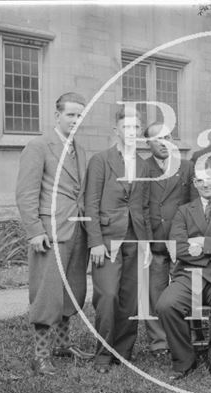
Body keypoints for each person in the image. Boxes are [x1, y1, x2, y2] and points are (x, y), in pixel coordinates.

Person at [16, 92, 93, 376]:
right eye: (70, 114)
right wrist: (35, 231)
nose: (75, 120)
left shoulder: (80, 150)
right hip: (50, 233)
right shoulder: (39, 146)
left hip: (77, 231)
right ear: (57, 116)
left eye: (79, 115)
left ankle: (63, 345)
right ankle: (40, 355)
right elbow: (26, 193)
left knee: (71, 290)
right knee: (46, 294)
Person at [156, 165, 211, 381]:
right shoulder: (184, 211)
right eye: (200, 180)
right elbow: (178, 246)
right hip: (188, 274)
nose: (206, 184)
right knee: (166, 305)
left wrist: (202, 242)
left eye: (210, 179)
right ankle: (184, 361)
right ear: (194, 184)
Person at [84, 107, 152, 373]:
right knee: (108, 296)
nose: (132, 133)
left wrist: (146, 243)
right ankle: (103, 354)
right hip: (107, 239)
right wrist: (95, 242)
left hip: (135, 238)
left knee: (129, 298)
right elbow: (90, 204)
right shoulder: (101, 160)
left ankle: (123, 352)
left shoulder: (144, 165)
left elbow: (144, 208)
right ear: (117, 131)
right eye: (127, 128)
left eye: (136, 128)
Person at [145, 121, 196, 356]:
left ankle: (185, 335)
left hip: (180, 242)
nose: (164, 143)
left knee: (182, 290)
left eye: (168, 137)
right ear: (148, 144)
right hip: (154, 240)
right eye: (158, 139)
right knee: (154, 291)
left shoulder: (187, 166)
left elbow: (194, 206)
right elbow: (139, 206)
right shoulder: (142, 168)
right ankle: (158, 341)